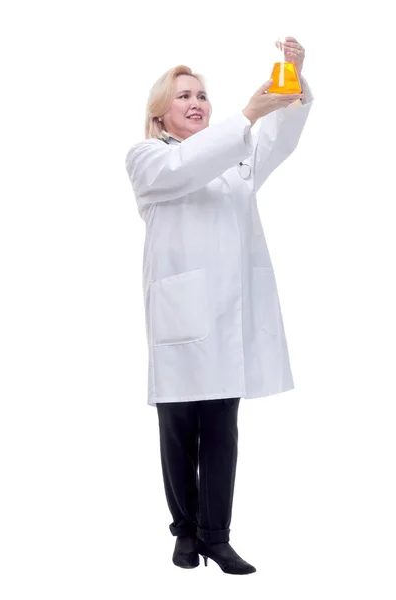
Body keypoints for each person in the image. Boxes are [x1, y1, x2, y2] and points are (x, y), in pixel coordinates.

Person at [125, 37, 313, 575]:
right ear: (160, 113)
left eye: (203, 94)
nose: (198, 102)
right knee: (180, 430)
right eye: (185, 95)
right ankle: (184, 533)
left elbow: (277, 138)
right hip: (181, 321)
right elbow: (187, 167)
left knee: (223, 432)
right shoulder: (146, 159)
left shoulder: (234, 160)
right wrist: (246, 114)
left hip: (227, 321)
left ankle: (217, 536)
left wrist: (290, 82)